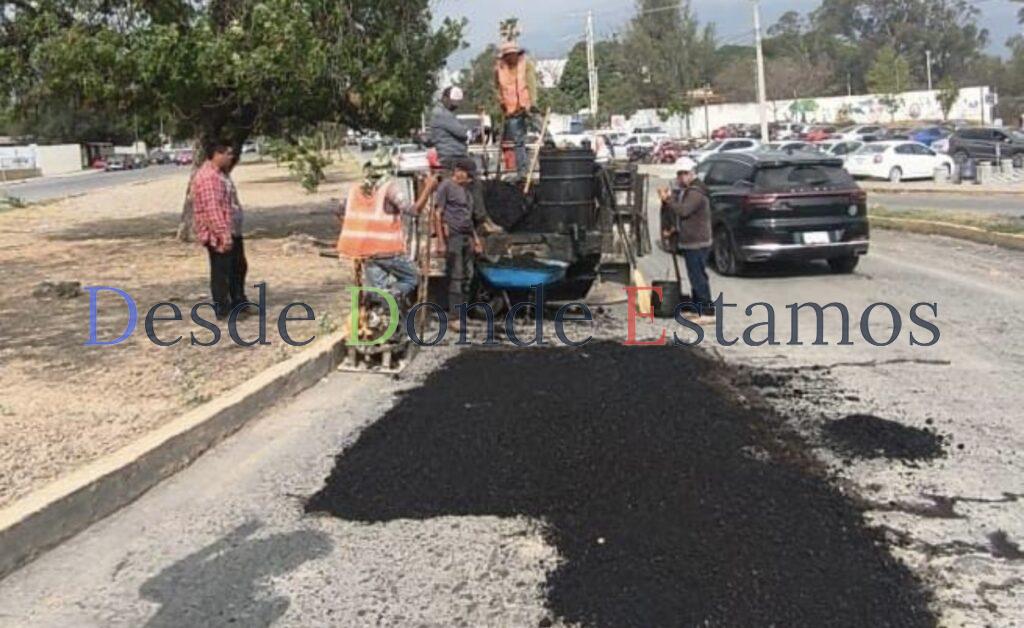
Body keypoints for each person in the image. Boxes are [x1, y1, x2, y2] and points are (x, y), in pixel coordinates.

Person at [336, 150, 436, 306]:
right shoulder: (389, 188)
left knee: (379, 288)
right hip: (387, 251)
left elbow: (340, 212)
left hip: (365, 251)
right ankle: (388, 297)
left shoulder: (356, 189)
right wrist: (428, 188)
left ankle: (382, 306)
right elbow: (413, 211)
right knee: (412, 278)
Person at [191, 141, 249, 320]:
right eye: (228, 154)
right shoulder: (209, 178)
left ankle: (239, 303)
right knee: (221, 272)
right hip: (219, 234)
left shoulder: (221, 174)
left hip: (231, 229)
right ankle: (224, 310)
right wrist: (223, 235)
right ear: (217, 154)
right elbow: (212, 210)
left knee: (238, 267)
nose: (231, 157)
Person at [659, 157, 714, 317]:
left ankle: (706, 310)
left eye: (682, 174)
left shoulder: (696, 192)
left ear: (690, 173)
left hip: (697, 241)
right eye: (678, 174)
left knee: (698, 276)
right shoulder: (689, 190)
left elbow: (683, 211)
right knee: (694, 275)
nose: (679, 178)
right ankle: (697, 306)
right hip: (692, 240)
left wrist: (668, 199)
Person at [435, 158, 483, 331]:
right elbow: (438, 214)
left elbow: (468, 219)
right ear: (459, 172)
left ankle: (463, 314)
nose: (469, 180)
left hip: (467, 237)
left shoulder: (467, 193)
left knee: (468, 276)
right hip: (453, 236)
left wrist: (476, 240)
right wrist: (441, 241)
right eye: (468, 176)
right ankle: (454, 317)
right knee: (456, 276)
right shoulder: (446, 187)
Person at [494, 41, 538, 178]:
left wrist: (533, 103)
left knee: (543, 131)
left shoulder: (526, 65)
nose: (511, 57)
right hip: (511, 110)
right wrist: (501, 101)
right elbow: (497, 87)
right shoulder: (499, 69)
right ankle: (522, 172)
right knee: (518, 142)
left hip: (527, 106)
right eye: (508, 55)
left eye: (513, 54)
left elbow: (531, 84)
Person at [429, 86, 471, 170]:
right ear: (445, 98)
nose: (456, 106)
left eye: (457, 103)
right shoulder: (443, 114)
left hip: (451, 155)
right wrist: (466, 129)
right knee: (472, 168)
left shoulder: (443, 113)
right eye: (453, 103)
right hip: (451, 156)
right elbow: (462, 133)